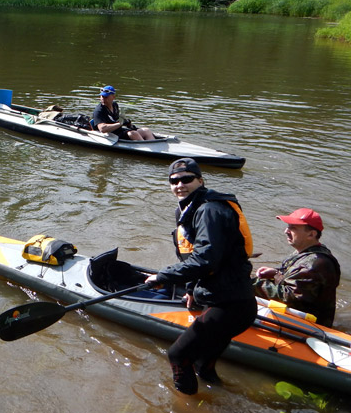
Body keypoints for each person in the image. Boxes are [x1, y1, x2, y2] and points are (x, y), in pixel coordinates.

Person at [144, 158, 256, 395]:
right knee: (202, 364)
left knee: (177, 354)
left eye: (187, 179)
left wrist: (162, 276)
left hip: (230, 305)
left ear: (200, 181)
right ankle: (220, 398)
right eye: (174, 181)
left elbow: (205, 259)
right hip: (232, 300)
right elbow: (194, 256)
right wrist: (191, 290)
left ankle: (187, 405)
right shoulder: (190, 207)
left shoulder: (209, 210)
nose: (179, 185)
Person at [252, 208, 341, 327]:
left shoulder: (316, 263)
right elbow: (296, 284)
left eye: (293, 228)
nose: (286, 231)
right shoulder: (307, 253)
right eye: (288, 226)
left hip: (310, 327)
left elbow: (290, 298)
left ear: (311, 234)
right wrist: (276, 274)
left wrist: (251, 284)